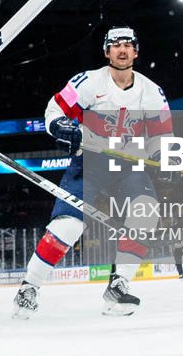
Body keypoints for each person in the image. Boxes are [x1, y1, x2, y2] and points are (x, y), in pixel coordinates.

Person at [14, 26, 172, 317]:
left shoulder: (151, 91)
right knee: (68, 226)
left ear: (136, 51)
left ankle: (119, 284)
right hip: (89, 162)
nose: (122, 49)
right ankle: (29, 287)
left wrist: (163, 157)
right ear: (106, 51)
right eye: (115, 45)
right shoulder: (88, 82)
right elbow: (54, 110)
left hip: (129, 165)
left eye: (127, 44)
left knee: (146, 212)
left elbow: (161, 134)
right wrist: (60, 126)